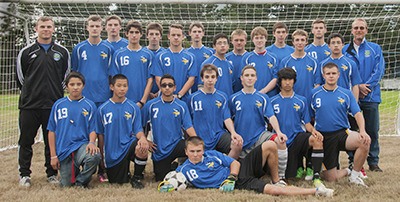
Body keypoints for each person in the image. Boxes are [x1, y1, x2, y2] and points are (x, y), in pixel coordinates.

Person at [173, 137, 333, 197]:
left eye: (198, 151)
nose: (196, 154)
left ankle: (278, 179)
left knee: (270, 144)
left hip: (236, 172)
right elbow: (171, 181)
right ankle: (317, 191)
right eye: (192, 151)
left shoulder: (212, 154)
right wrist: (168, 185)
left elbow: (234, 162)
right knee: (273, 191)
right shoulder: (183, 171)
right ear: (186, 152)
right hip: (240, 182)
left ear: (203, 150)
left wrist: (231, 177)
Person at [16, 16, 70, 187]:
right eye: (42, 26)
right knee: (26, 141)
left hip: (53, 105)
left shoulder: (62, 52)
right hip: (29, 105)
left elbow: (65, 77)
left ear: (53, 29)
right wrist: (32, 92)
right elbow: (21, 78)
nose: (46, 29)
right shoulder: (26, 52)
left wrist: (54, 93)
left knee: (51, 141)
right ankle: (24, 174)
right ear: (36, 29)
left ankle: (51, 173)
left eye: (49, 26)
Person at [311, 62, 371, 186]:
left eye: (334, 73)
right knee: (331, 178)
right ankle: (348, 170)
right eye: (328, 73)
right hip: (324, 137)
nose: (331, 76)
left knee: (364, 141)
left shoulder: (346, 93)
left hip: (342, 133)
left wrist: (363, 131)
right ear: (323, 75)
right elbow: (308, 118)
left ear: (338, 75)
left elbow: (357, 113)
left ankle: (354, 176)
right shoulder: (314, 94)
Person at [229, 65, 287, 180]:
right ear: (241, 78)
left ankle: (280, 177)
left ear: (256, 78)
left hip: (260, 136)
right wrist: (233, 133)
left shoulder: (263, 97)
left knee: (280, 141)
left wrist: (279, 132)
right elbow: (228, 119)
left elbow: (271, 116)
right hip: (242, 140)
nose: (249, 78)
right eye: (246, 75)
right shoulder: (233, 98)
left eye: (252, 75)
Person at [270, 68, 325, 187]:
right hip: (281, 142)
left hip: (297, 138)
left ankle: (315, 174)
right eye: (284, 79)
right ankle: (299, 166)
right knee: (291, 175)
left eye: (290, 79)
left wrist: (315, 131)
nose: (287, 82)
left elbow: (307, 124)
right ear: (280, 82)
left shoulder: (301, 100)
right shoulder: (272, 101)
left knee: (316, 139)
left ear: (294, 81)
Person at [343, 18, 385, 172]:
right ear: (352, 30)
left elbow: (379, 71)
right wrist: (356, 87)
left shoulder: (375, 48)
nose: (359, 30)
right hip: (351, 98)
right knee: (353, 131)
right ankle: (353, 161)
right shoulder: (344, 50)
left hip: (371, 96)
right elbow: (341, 72)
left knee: (372, 130)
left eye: (362, 28)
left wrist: (365, 87)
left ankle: (373, 162)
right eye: (356, 28)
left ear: (366, 30)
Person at [47, 72, 101, 187]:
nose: (75, 87)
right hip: (64, 150)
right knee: (66, 185)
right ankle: (73, 173)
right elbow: (51, 131)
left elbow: (93, 129)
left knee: (94, 155)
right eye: (72, 84)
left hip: (81, 146)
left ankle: (80, 182)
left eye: (78, 84)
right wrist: (53, 156)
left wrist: (92, 143)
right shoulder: (58, 105)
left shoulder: (90, 105)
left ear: (83, 86)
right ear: (67, 86)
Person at [96, 74, 149, 188]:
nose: (122, 89)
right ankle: (125, 173)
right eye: (119, 85)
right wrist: (101, 158)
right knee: (118, 182)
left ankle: (137, 177)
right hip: (112, 153)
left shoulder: (133, 107)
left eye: (125, 86)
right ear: (111, 87)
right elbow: (101, 136)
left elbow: (138, 129)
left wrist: (143, 138)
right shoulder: (102, 109)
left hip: (128, 144)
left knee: (142, 147)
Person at [142, 74, 197, 181]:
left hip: (177, 143)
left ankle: (185, 167)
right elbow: (142, 126)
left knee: (191, 148)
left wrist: (197, 141)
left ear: (175, 87)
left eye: (170, 85)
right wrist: (145, 140)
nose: (167, 88)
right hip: (159, 149)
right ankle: (172, 167)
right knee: (161, 179)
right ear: (160, 87)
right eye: (164, 85)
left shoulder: (181, 105)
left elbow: (188, 126)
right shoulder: (151, 105)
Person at [188, 64, 243, 159]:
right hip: (200, 137)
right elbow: (188, 122)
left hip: (218, 135)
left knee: (237, 144)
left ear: (217, 78)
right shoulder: (193, 98)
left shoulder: (222, 96)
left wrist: (233, 133)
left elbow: (226, 118)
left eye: (213, 77)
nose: (210, 80)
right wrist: (193, 138)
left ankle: (225, 168)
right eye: (207, 77)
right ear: (202, 78)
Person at [71, 15, 114, 107]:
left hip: (103, 94)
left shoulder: (109, 48)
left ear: (102, 28)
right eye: (92, 26)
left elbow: (112, 73)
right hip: (84, 94)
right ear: (87, 28)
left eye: (97, 26)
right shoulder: (78, 48)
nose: (94, 29)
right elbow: (74, 72)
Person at [110, 20, 153, 107]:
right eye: (131, 32)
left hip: (142, 101)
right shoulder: (118, 54)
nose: (134, 35)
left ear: (141, 34)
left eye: (137, 32)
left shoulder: (148, 54)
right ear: (126, 34)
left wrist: (143, 101)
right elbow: (115, 78)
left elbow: (150, 80)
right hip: (122, 101)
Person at [152, 24, 197, 102]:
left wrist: (179, 95)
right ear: (169, 36)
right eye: (173, 35)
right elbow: (158, 78)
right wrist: (168, 94)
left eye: (178, 35)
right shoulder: (160, 56)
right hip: (163, 99)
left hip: (184, 99)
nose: (176, 37)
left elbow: (191, 79)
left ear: (183, 37)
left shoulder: (190, 57)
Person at [241, 26, 279, 97]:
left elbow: (275, 78)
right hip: (252, 95)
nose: (259, 40)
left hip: (270, 95)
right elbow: (243, 78)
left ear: (266, 39)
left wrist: (263, 91)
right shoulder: (246, 58)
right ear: (252, 40)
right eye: (256, 38)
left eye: (261, 38)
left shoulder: (273, 58)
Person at [186, 22, 214, 92]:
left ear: (203, 33)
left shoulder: (211, 52)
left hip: (206, 87)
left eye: (199, 31)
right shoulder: (185, 53)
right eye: (194, 31)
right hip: (188, 88)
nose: (197, 34)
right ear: (189, 33)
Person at [144, 22, 165, 99]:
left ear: (161, 36)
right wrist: (148, 92)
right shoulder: (142, 53)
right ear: (147, 36)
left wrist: (160, 91)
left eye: (157, 34)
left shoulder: (165, 54)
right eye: (151, 34)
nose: (154, 37)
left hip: (162, 93)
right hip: (143, 93)